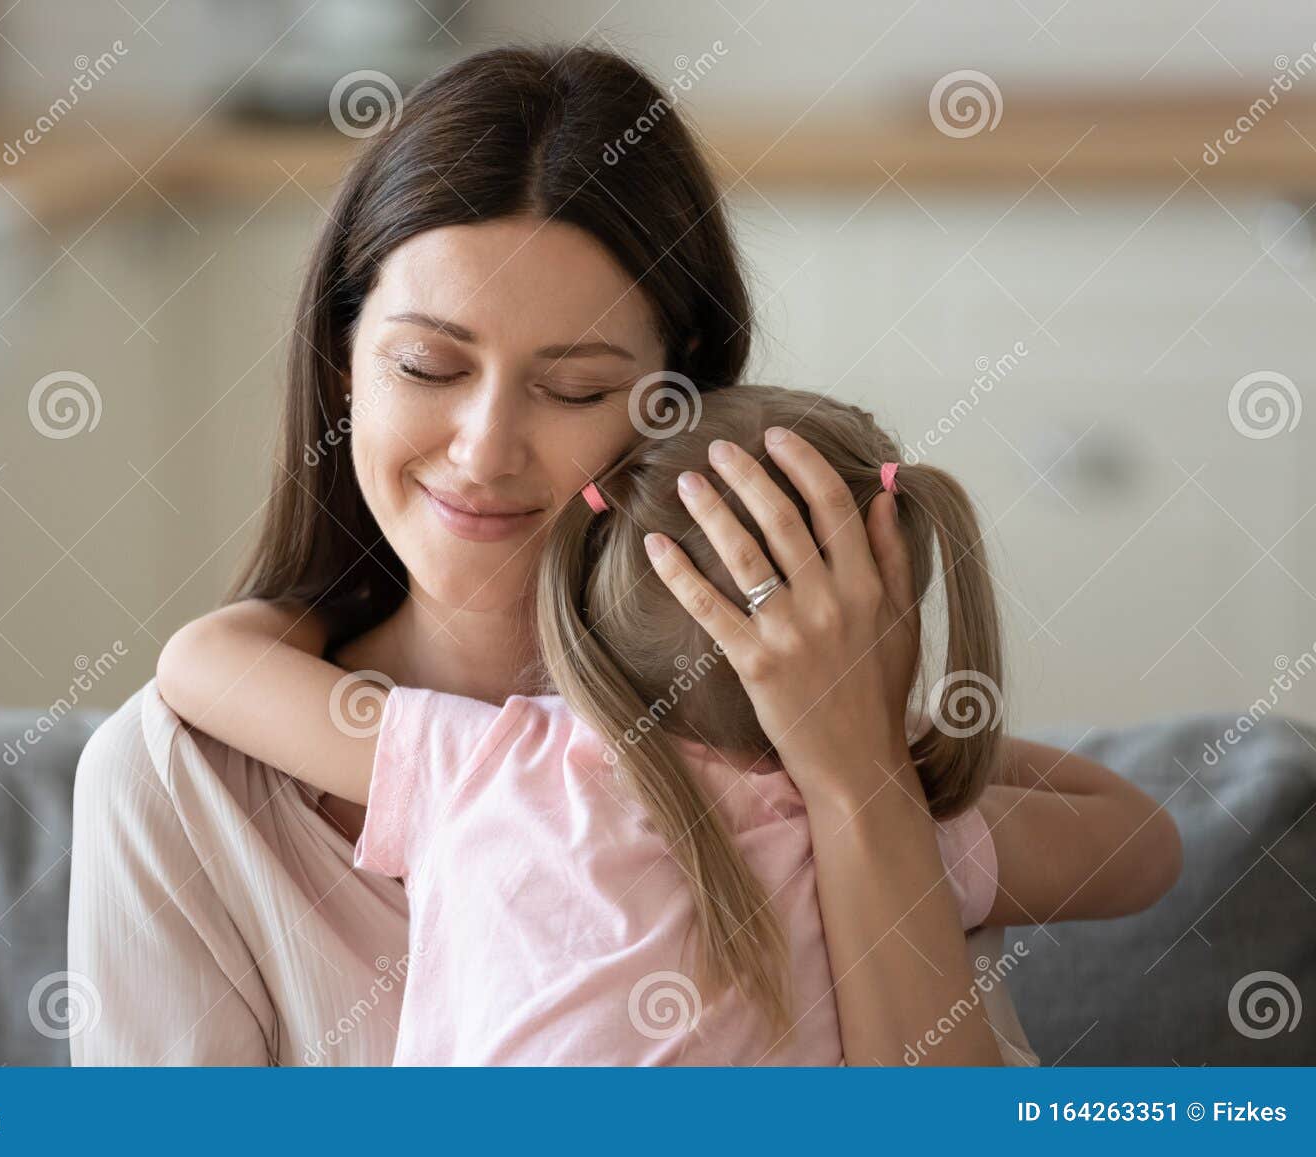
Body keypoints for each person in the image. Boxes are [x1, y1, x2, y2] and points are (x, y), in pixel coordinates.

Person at [67, 44, 1182, 1066]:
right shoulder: (177, 781)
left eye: (575, 388)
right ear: (343, 362)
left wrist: (858, 781)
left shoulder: (788, 736)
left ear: (674, 403)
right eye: (427, 367)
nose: (485, 449)